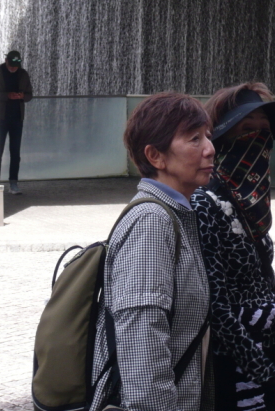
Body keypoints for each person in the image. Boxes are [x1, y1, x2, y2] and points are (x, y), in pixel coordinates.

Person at [191, 83, 275, 411]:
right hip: (230, 368)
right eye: (246, 130)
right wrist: (271, 380)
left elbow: (267, 280)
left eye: (264, 131)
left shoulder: (251, 205)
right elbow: (216, 307)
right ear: (221, 138)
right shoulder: (204, 203)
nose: (257, 138)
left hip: (267, 353)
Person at [89, 92, 214, 411]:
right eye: (195, 139)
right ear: (155, 156)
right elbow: (142, 339)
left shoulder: (176, 215)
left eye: (208, 136)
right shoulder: (151, 221)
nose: (210, 149)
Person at [0, 50, 33, 195]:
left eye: (16, 66)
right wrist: (7, 96)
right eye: (11, 65)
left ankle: (13, 183)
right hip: (0, 118)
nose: (13, 68)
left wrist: (22, 96)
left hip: (17, 118)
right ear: (6, 61)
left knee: (15, 152)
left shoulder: (23, 74)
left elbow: (30, 95)